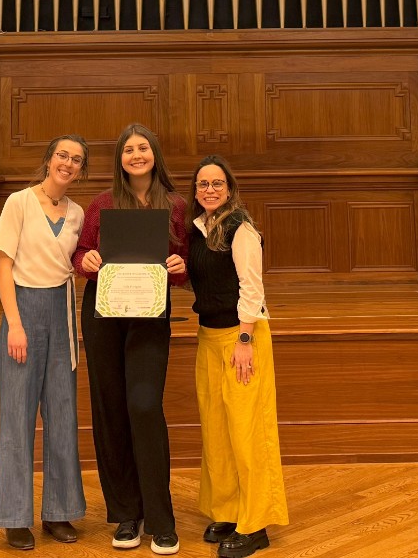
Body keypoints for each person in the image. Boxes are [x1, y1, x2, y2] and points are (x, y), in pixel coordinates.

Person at [73, 123, 189, 555]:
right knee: (111, 409)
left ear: (154, 154)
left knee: (143, 405)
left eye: (142, 148)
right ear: (119, 158)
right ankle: (126, 515)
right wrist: (89, 259)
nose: (136, 155)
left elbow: (187, 266)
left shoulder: (175, 205)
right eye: (128, 150)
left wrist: (180, 266)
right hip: (103, 314)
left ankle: (161, 519)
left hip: (149, 317)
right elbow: (79, 255)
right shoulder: (101, 203)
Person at [0, 135, 90, 550]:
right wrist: (15, 323)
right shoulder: (19, 202)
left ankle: (58, 513)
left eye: (77, 160)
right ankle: (14, 515)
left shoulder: (79, 213)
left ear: (81, 170)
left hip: (62, 313)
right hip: (23, 311)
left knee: (63, 415)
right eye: (62, 155)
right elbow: (3, 265)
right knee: (17, 416)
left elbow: (79, 263)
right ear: (49, 159)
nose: (68, 163)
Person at [185, 156, 288, 558]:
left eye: (216, 184)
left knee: (247, 433)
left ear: (229, 189)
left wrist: (245, 339)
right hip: (208, 337)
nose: (209, 190)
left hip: (241, 338)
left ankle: (255, 524)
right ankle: (228, 511)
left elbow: (252, 287)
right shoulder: (197, 230)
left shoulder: (240, 229)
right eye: (202, 184)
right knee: (218, 433)